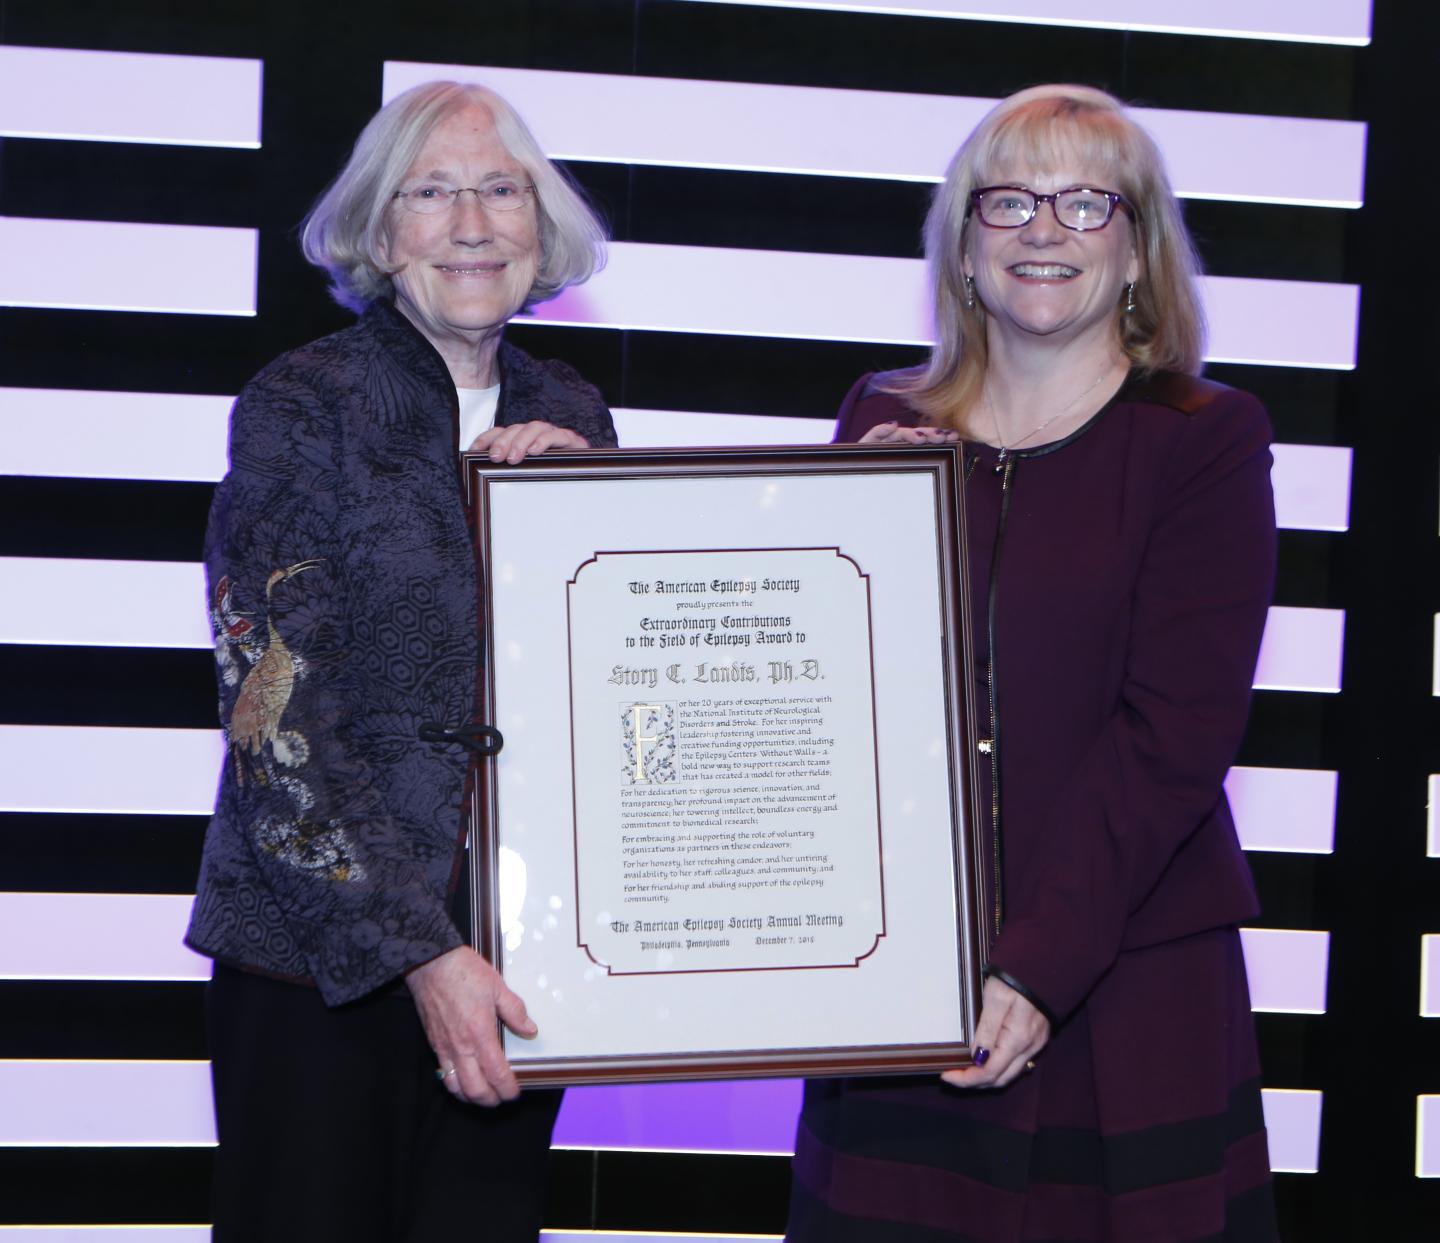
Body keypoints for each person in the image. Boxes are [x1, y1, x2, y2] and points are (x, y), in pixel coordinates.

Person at [787, 85, 1279, 1243]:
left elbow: (1175, 737)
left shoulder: (1206, 438)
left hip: (1123, 982)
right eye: (1006, 202)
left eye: (1083, 202)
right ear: (961, 246)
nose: (1042, 231)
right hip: (904, 972)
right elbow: (805, 691)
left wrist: (1037, 967)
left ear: (1137, 247)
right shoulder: (879, 422)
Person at [185, 80, 617, 1242]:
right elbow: (270, 711)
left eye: (500, 190)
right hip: (316, 966)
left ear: (542, 223)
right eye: (433, 193)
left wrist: (593, 513)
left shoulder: (572, 407)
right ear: (382, 233)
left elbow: (604, 679)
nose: (472, 223)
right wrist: (422, 952)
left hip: (521, 956)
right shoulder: (300, 403)